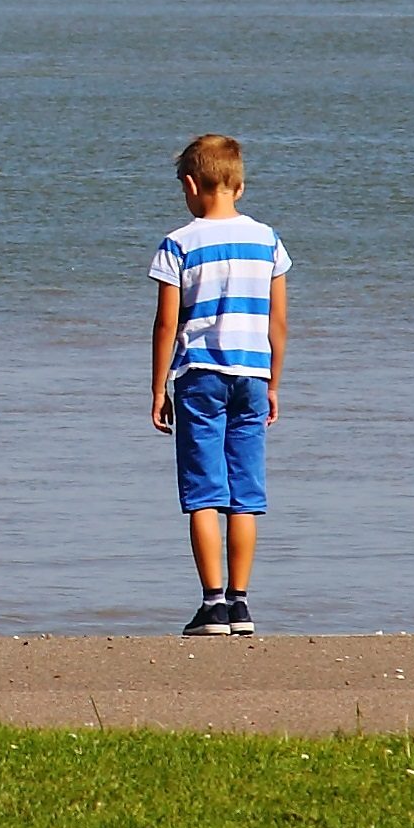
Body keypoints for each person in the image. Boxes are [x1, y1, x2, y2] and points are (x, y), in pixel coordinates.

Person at [146, 132, 290, 636]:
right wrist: (274, 380)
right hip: (252, 373)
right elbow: (278, 321)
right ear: (240, 186)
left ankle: (212, 605)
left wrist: (158, 386)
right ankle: (242, 603)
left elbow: (167, 323)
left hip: (200, 374)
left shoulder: (178, 243)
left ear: (190, 184)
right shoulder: (267, 240)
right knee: (245, 492)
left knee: (204, 491)